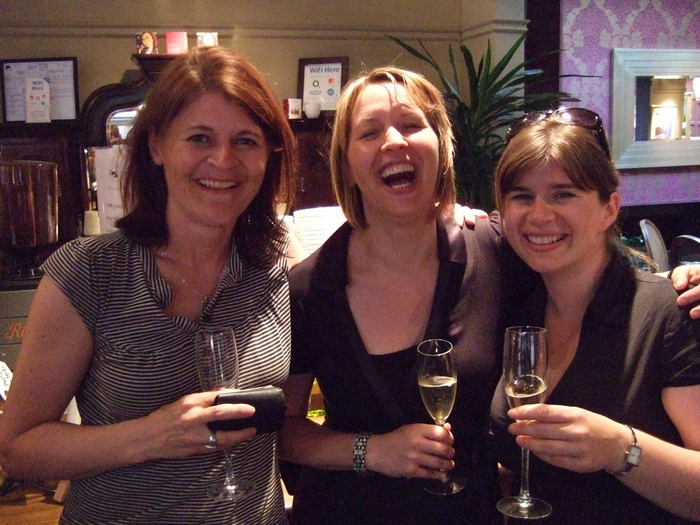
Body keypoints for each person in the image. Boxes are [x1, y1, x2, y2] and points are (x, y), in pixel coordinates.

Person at [0, 46, 296, 524]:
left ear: (268, 156)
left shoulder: (273, 274)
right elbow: (17, 449)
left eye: (246, 141)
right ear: (157, 146)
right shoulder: (89, 272)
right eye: (199, 138)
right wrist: (153, 436)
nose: (223, 160)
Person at [278, 66, 507, 524]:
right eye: (370, 132)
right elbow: (284, 431)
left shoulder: (493, 250)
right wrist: (373, 451)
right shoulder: (308, 287)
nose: (394, 141)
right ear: (347, 165)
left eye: (411, 124)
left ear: (441, 147)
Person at [489, 108, 700, 524]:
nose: (539, 215)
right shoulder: (517, 308)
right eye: (522, 196)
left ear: (609, 208)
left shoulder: (670, 313)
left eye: (563, 194)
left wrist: (621, 449)